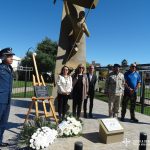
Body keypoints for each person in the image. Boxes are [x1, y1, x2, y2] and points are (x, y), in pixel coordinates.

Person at [0, 47, 15, 147]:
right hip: (0, 99)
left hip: (8, 99)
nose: (11, 58)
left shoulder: (10, 68)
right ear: (3, 57)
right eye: (9, 56)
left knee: (3, 122)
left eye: (12, 56)